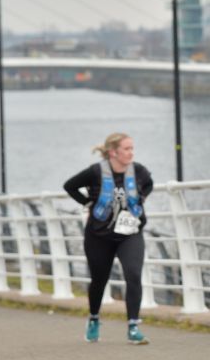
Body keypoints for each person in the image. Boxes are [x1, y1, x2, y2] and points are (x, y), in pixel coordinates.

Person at [64, 133, 153, 345]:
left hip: (129, 233)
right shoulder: (96, 172)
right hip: (99, 235)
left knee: (133, 273)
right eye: (127, 149)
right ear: (113, 152)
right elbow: (69, 186)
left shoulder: (138, 171)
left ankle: (133, 326)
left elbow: (149, 184)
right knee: (99, 279)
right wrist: (87, 202)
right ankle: (94, 318)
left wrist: (140, 199)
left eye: (133, 148)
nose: (131, 153)